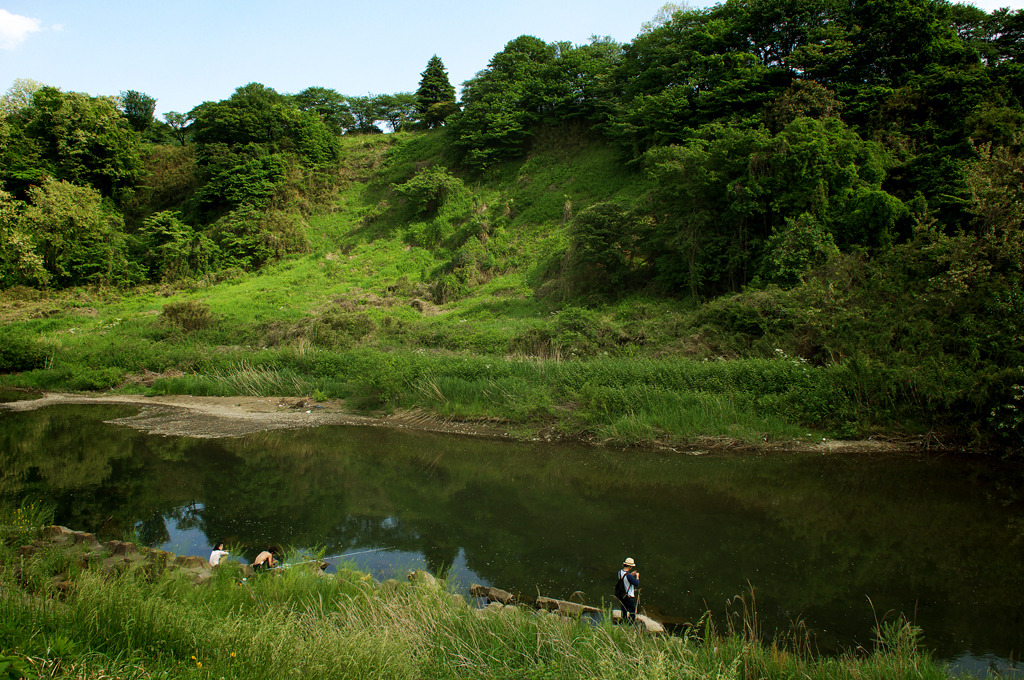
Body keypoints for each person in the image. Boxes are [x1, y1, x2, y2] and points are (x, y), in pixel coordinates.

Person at [616, 557, 640, 623]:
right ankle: (630, 626)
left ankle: (624, 623)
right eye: (631, 566)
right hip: (629, 597)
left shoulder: (620, 572)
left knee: (624, 611)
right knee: (632, 613)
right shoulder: (629, 576)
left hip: (622, 595)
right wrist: (637, 577)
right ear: (629, 566)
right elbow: (636, 583)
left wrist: (631, 575)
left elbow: (624, 580)